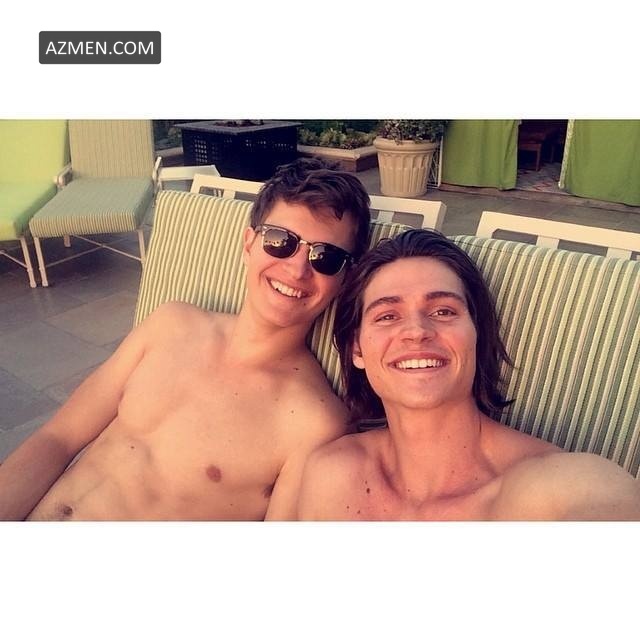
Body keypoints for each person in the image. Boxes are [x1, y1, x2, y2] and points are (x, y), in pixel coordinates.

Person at [0, 158, 371, 521]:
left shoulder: (315, 424)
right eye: (280, 240)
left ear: (345, 278)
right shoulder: (171, 325)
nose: (297, 268)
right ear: (248, 244)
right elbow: (58, 438)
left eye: (326, 257)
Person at [296, 229, 640, 520]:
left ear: (477, 335)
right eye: (387, 316)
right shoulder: (331, 474)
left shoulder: (555, 485)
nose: (416, 331)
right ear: (357, 349)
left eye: (443, 311)